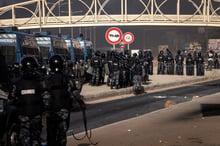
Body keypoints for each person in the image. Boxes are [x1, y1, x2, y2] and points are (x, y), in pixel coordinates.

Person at [44, 55, 85, 146]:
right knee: (62, 134)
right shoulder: (66, 79)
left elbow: (43, 95)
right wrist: (81, 103)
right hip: (64, 110)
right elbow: (75, 92)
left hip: (51, 111)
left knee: (51, 134)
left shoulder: (46, 79)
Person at [8, 56, 44, 146]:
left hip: (23, 117)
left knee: (25, 140)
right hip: (36, 116)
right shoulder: (40, 82)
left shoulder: (17, 83)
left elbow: (11, 99)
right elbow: (46, 98)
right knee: (36, 139)